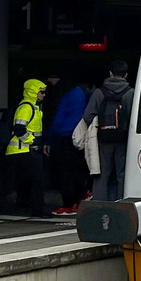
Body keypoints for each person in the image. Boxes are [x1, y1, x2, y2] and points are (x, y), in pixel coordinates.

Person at [83, 59, 135, 202]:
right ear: (126, 75)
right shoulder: (131, 93)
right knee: (122, 173)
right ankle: (121, 204)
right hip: (124, 139)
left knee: (101, 173)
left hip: (103, 138)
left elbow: (88, 116)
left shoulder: (99, 92)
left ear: (110, 74)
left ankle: (99, 205)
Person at [4, 78, 50, 217]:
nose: (43, 95)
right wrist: (32, 141)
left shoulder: (33, 106)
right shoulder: (26, 107)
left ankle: (27, 206)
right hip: (23, 150)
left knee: (23, 181)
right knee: (37, 181)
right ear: (33, 92)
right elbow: (18, 128)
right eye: (41, 92)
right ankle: (37, 210)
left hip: (25, 150)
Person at [46, 77, 91, 216]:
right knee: (78, 168)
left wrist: (49, 139)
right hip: (80, 135)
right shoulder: (84, 94)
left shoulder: (65, 95)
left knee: (65, 172)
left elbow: (58, 118)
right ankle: (82, 196)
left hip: (64, 136)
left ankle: (69, 204)